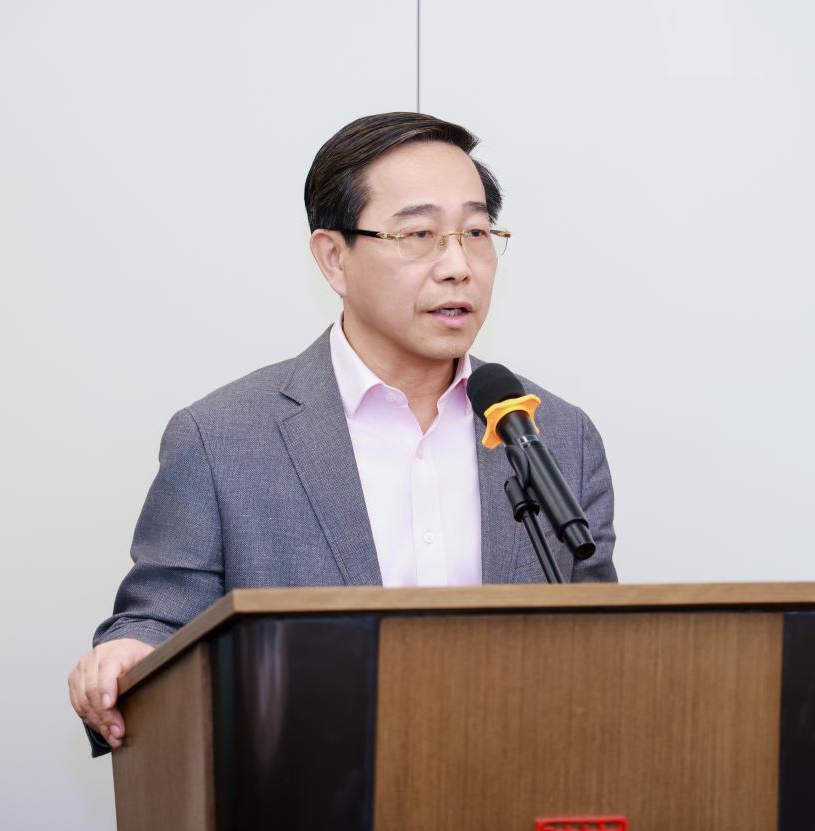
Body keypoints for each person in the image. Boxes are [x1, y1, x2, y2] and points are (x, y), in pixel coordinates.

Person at [66, 112, 618, 755]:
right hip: (309, 783)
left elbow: (603, 643)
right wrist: (127, 656)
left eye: (476, 232)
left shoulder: (558, 435)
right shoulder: (221, 440)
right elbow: (159, 623)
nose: (458, 266)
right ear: (334, 258)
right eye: (419, 234)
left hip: (517, 778)